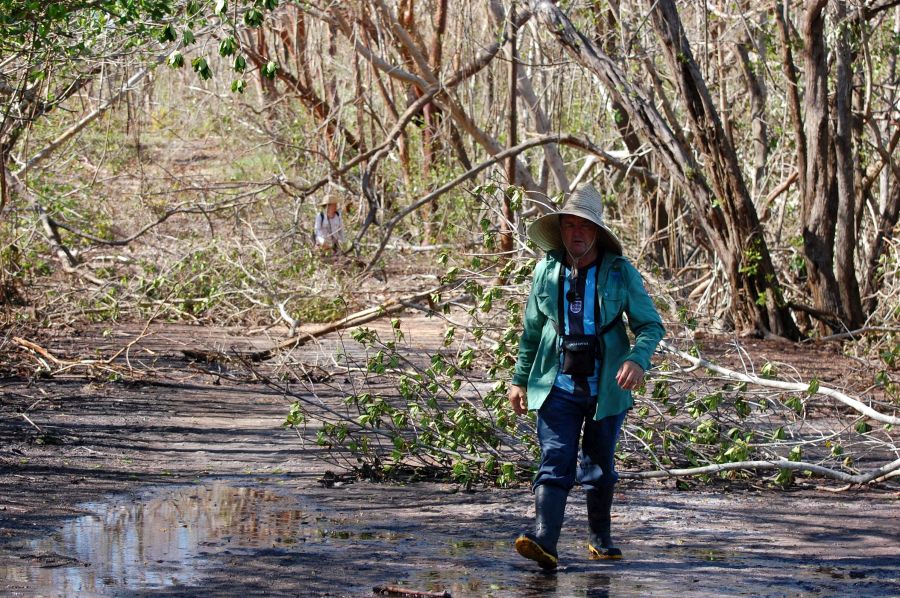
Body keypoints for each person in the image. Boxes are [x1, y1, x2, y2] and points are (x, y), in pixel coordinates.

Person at [509, 183, 665, 570]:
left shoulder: (619, 273)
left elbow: (650, 326)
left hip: (608, 388)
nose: (576, 233)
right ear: (560, 230)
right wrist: (518, 380)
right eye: (568, 225)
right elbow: (530, 331)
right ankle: (544, 539)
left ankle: (600, 538)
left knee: (598, 467)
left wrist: (637, 360)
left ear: (596, 231)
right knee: (555, 459)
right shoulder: (545, 271)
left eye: (584, 226)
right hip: (554, 384)